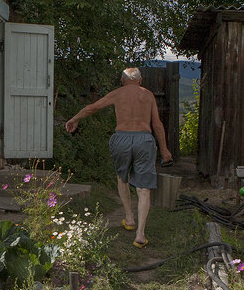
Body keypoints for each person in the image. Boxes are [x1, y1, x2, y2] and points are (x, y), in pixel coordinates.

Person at [64, 67, 172, 247]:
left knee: (122, 177)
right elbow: (157, 125)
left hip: (121, 139)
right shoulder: (148, 95)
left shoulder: (117, 93)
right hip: (144, 140)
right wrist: (165, 150)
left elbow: (92, 108)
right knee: (143, 188)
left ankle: (129, 219)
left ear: (122, 81)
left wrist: (74, 119)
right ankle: (140, 234)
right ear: (140, 80)